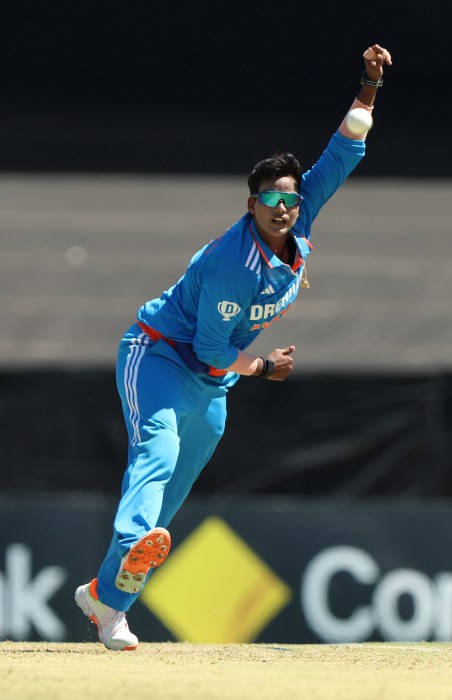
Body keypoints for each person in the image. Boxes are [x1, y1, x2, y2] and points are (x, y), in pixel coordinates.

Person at [75, 43, 392, 650]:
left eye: (289, 197)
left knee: (171, 496)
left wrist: (369, 84)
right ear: (251, 205)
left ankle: (105, 600)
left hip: (212, 380)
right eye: (269, 198)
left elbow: (345, 149)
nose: (282, 207)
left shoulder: (300, 219)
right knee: (156, 455)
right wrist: (265, 366)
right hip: (162, 357)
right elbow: (214, 348)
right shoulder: (231, 266)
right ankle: (124, 561)